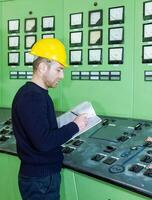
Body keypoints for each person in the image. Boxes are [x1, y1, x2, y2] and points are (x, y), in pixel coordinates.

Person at [12, 38, 88, 200]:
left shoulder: (35, 94)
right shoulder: (32, 97)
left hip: (41, 177)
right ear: (42, 67)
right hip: (40, 180)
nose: (62, 75)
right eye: (59, 70)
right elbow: (43, 142)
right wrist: (75, 126)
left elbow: (40, 132)